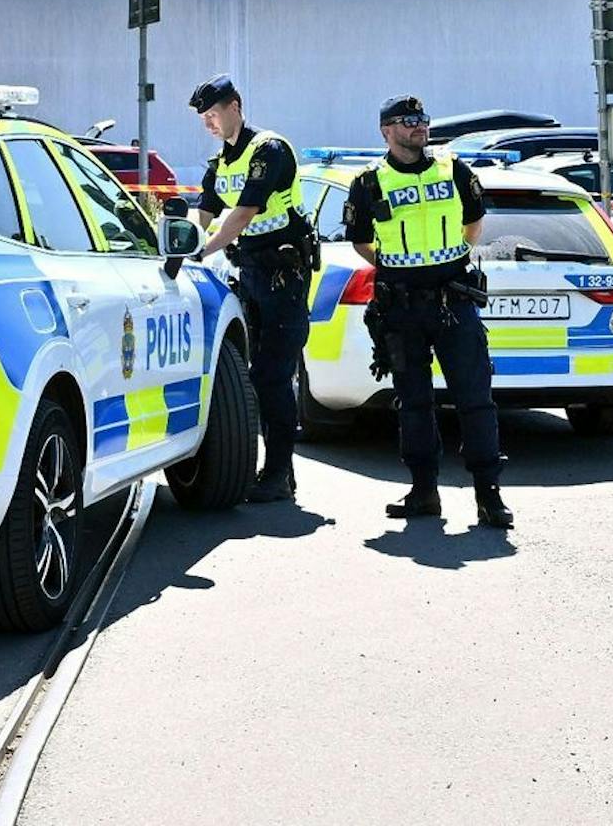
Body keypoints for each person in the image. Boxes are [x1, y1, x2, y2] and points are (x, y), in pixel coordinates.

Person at [344, 94, 513, 530]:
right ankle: (423, 492)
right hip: (401, 307)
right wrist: (401, 262)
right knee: (413, 403)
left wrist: (448, 256)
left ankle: (488, 495)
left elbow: (474, 223)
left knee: (475, 399)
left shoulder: (454, 169)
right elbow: (361, 240)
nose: (419, 126)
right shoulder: (367, 183)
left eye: (422, 119)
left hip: (452, 299)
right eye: (408, 120)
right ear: (386, 130)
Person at [190, 75, 315, 505]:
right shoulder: (219, 163)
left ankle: (278, 474)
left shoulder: (268, 150)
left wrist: (200, 253)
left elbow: (241, 214)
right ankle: (276, 472)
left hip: (284, 276)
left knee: (272, 375)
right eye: (203, 119)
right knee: (253, 377)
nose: (208, 124)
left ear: (235, 107)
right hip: (250, 276)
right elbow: (203, 212)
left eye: (213, 115)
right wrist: (180, 244)